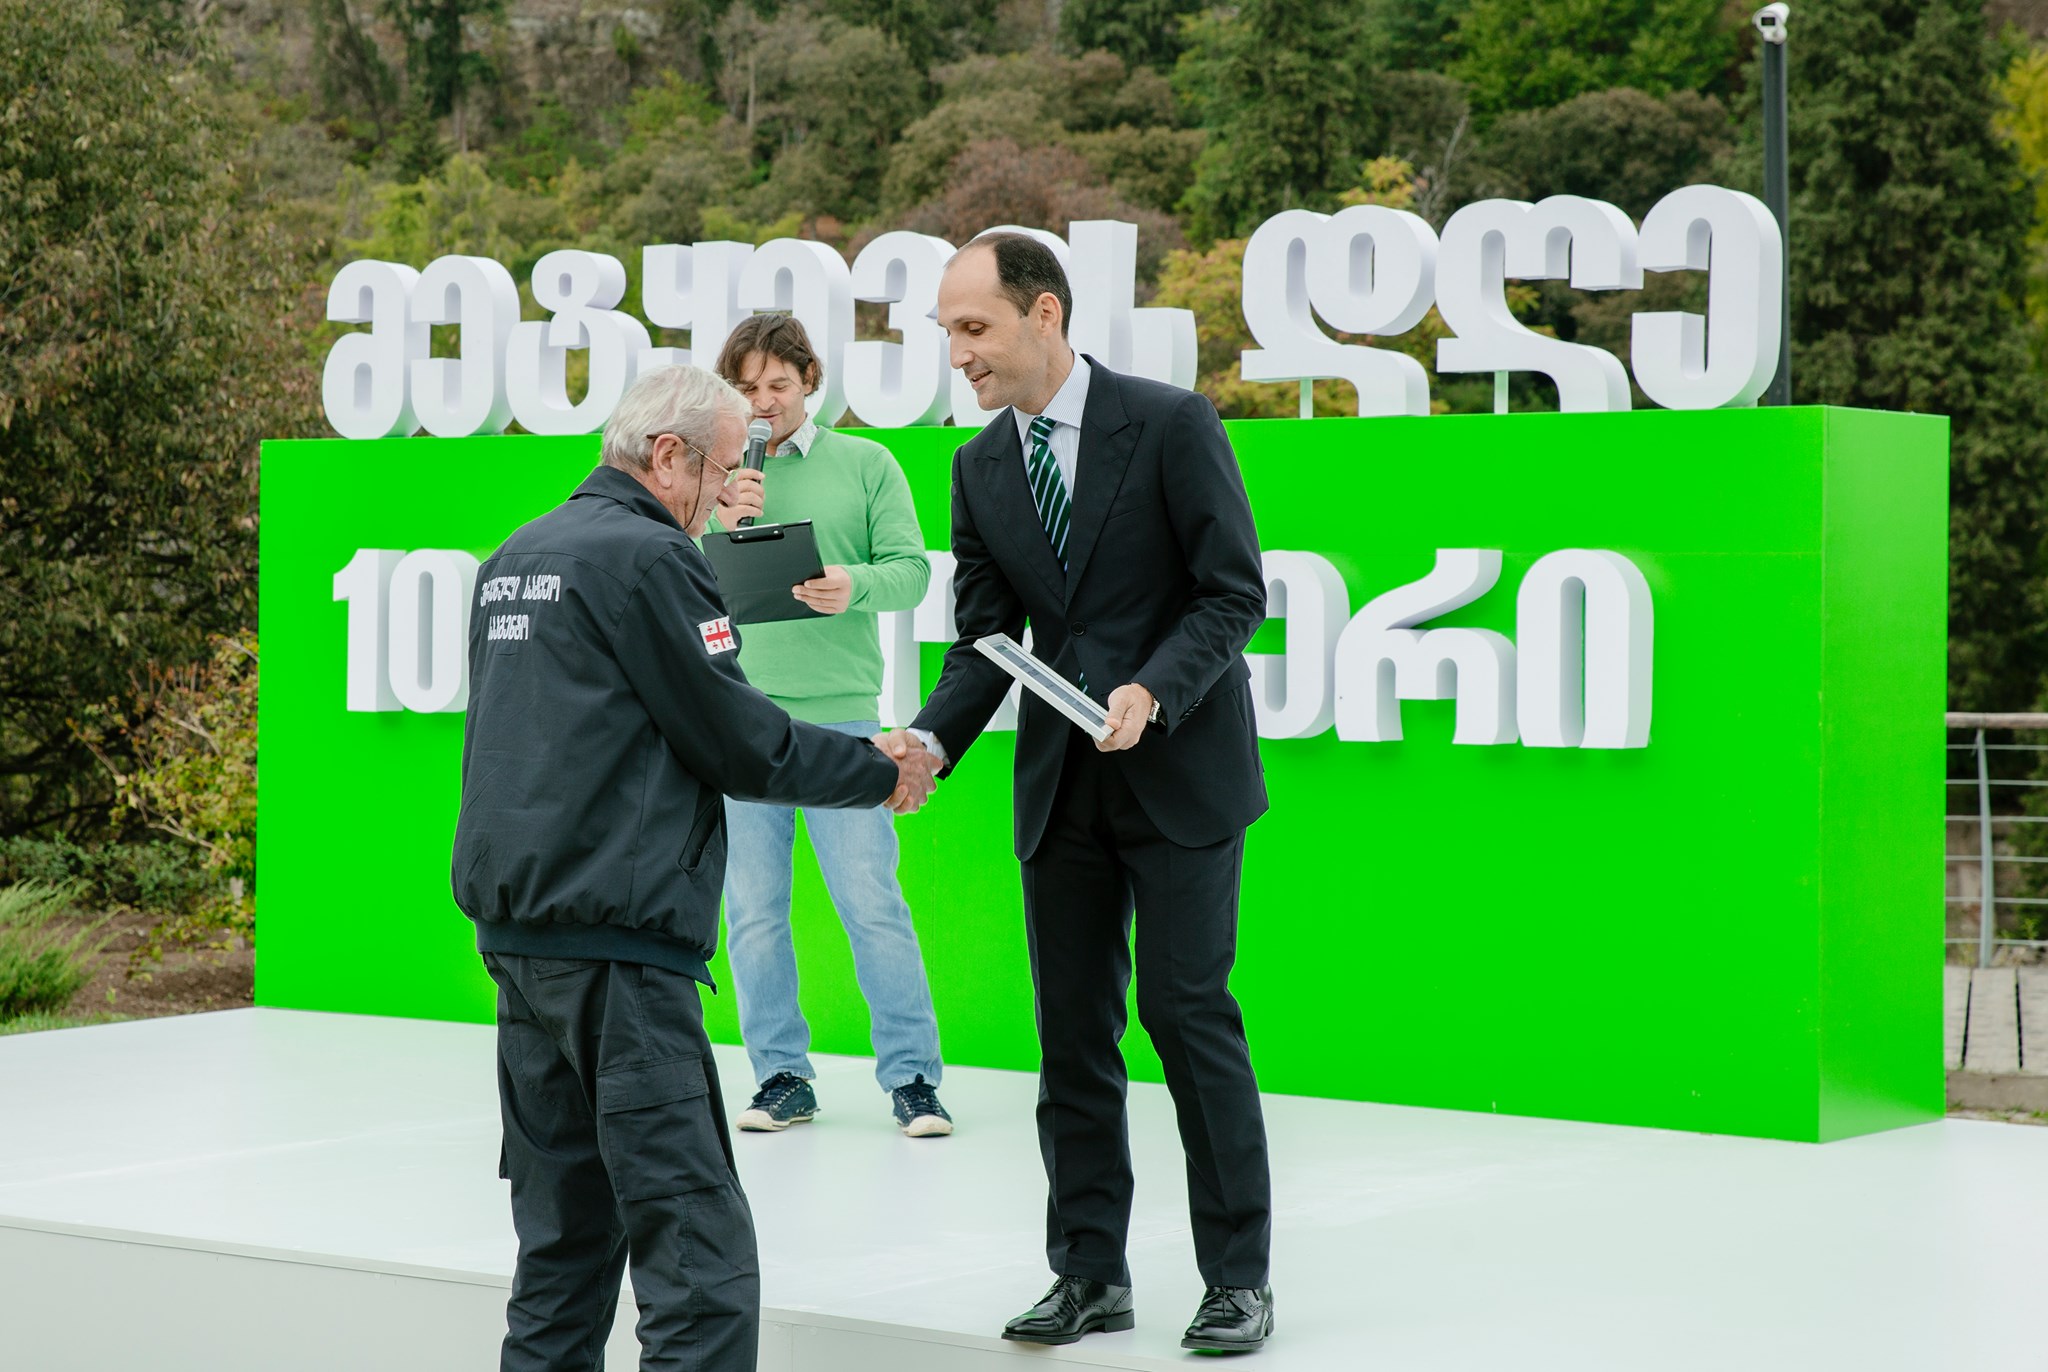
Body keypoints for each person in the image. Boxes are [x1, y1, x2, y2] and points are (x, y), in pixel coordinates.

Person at [450, 363, 942, 1372]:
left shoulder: (514, 558)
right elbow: (738, 741)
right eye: (721, 472)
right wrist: (875, 767)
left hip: (521, 951)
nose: (726, 500)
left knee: (562, 1255)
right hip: (619, 959)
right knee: (698, 1264)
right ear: (667, 454)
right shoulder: (651, 560)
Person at [888, 233, 1277, 1353]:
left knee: (1185, 1016)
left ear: (1044, 313)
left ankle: (1238, 1279)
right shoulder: (978, 467)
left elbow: (1230, 593)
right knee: (1071, 1037)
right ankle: (1089, 1273)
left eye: (974, 328)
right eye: (948, 333)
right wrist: (928, 741)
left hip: (1181, 774)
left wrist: (1154, 690)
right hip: (1061, 790)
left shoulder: (1169, 423)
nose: (959, 353)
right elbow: (985, 639)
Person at [707, 313, 954, 1138]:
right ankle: (781, 1077)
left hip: (845, 720)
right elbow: (675, 583)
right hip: (742, 720)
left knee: (872, 904)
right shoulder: (715, 477)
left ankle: (913, 1080)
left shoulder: (867, 463)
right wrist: (721, 523)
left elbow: (913, 571)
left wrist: (854, 583)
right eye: (747, 388)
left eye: (779, 384)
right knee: (752, 914)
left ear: (810, 381)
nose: (763, 401)